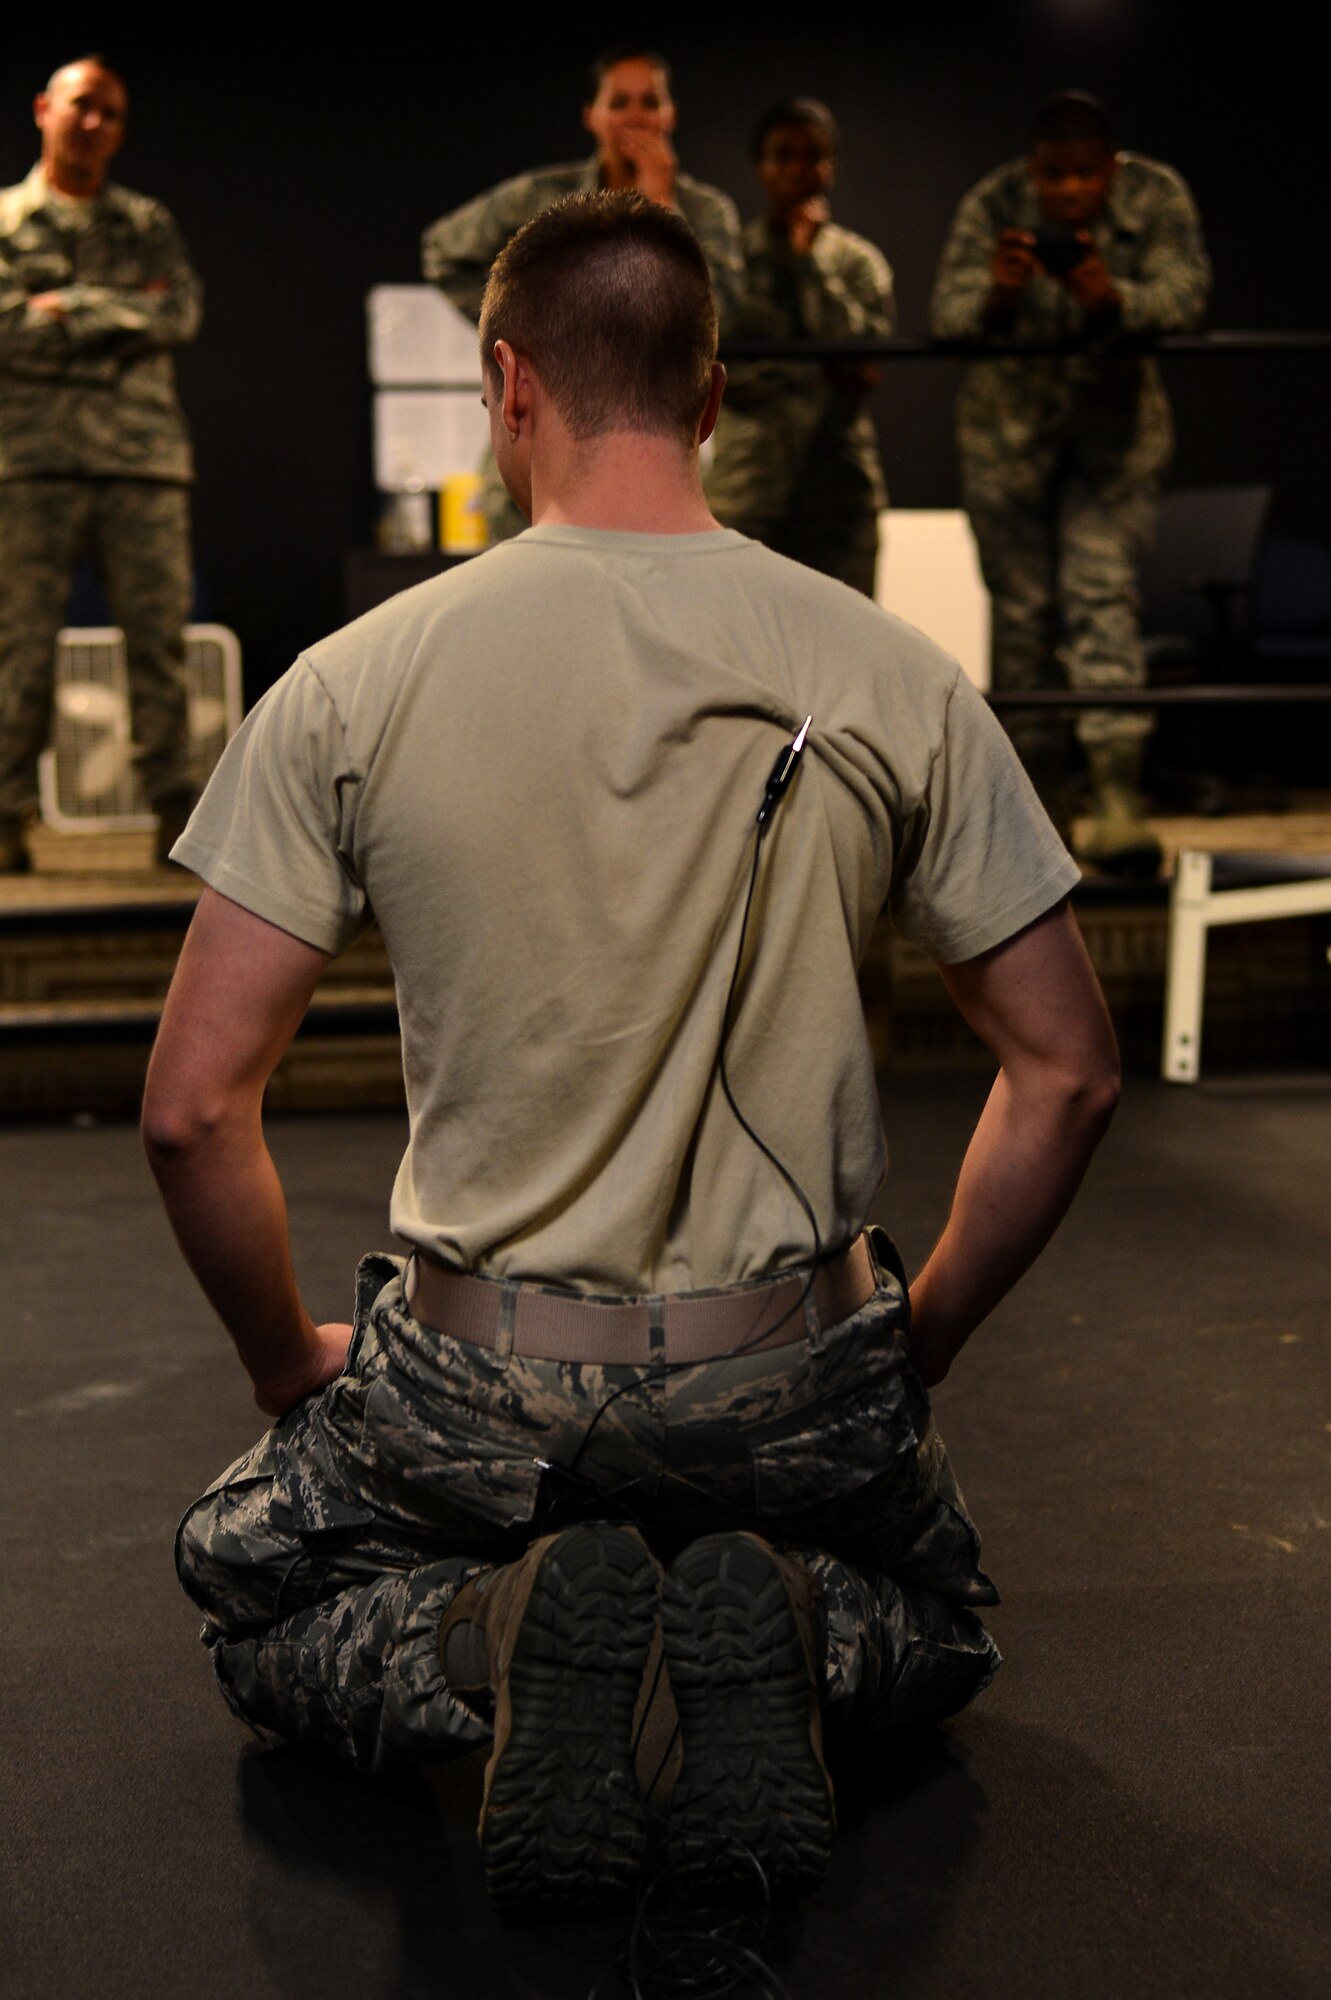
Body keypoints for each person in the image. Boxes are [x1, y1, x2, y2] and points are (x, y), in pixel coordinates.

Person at [147, 192, 1119, 1918]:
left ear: (506, 387)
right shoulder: (894, 675)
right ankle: (792, 1632)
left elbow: (188, 1107)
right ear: (716, 397)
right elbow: (1068, 1069)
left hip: (480, 1389)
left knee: (253, 1582)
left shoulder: (351, 684)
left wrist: (283, 1364)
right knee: (946, 1618)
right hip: (792, 1376)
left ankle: (483, 1636)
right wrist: (925, 1339)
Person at [930, 91, 1211, 875]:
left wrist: (1113, 299)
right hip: (1007, 446)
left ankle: (1119, 801)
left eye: (1085, 175)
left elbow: (1187, 293)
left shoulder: (1155, 195)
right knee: (1021, 627)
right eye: (1053, 176)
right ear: (1032, 170)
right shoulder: (991, 204)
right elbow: (947, 314)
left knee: (1100, 606)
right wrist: (1001, 293)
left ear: (1111, 169)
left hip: (1111, 447)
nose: (1068, 193)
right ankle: (1034, 814)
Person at [0, 55, 203, 874]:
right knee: (19, 645)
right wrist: (122, 322)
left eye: (112, 115)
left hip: (141, 464)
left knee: (158, 646)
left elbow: (180, 313)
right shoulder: (8, 220)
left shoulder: (147, 222)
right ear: (45, 108)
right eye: (84, 106)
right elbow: (7, 328)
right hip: (32, 464)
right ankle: (5, 816)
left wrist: (69, 309)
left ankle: (176, 816)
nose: (96, 125)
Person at [421, 46, 743, 542]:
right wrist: (520, 325)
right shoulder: (545, 197)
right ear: (591, 116)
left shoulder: (708, 213)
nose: (635, 116)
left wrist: (663, 209)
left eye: (649, 102)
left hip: (654, 456)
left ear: (671, 114)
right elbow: (442, 249)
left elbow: (729, 319)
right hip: (543, 444)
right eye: (619, 103)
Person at [705, 97, 893, 597]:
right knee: (739, 644)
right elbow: (714, 368)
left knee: (846, 647)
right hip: (748, 488)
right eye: (781, 156)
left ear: (829, 167)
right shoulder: (731, 262)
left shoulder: (856, 263)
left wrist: (811, 267)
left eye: (811, 156)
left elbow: (860, 365)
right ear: (760, 167)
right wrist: (809, 371)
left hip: (838, 492)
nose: (796, 170)